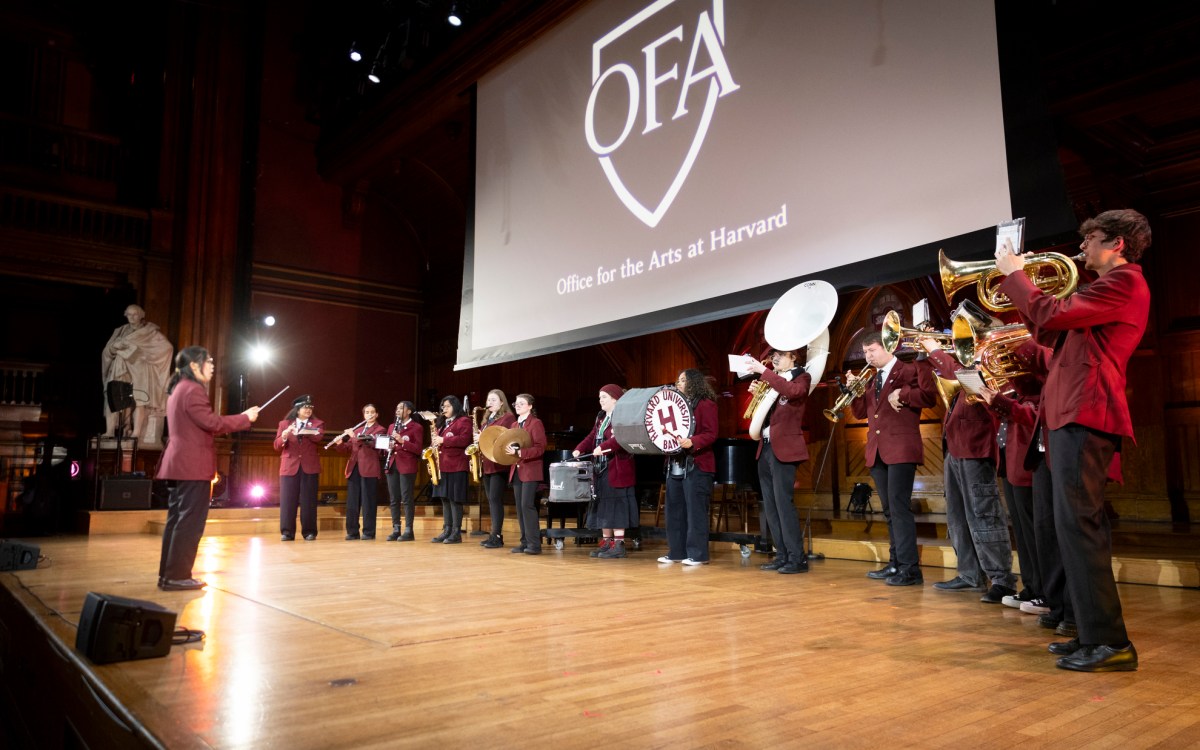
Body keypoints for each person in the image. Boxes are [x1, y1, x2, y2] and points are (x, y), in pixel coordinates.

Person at [996, 208, 1151, 673]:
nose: (1082, 248)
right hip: (1069, 412)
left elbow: (1052, 312)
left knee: (1081, 529)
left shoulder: (1124, 283)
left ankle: (1111, 642)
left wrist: (1017, 276)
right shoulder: (1101, 288)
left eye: (1092, 240)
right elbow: (1048, 326)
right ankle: (1090, 633)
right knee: (1071, 529)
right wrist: (1021, 292)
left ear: (1118, 244)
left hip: (1087, 412)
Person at [919, 338, 1016, 603]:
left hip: (976, 450)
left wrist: (935, 350)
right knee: (958, 517)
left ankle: (1001, 579)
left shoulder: (990, 368)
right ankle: (970, 573)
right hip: (956, 449)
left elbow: (963, 378)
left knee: (984, 514)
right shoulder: (969, 368)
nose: (970, 347)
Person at [156, 346, 259, 590]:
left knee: (177, 521)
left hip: (180, 462)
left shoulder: (179, 389)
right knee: (189, 523)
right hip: (192, 464)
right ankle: (177, 576)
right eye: (208, 361)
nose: (212, 366)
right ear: (194, 365)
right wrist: (244, 418)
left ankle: (169, 575)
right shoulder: (192, 390)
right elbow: (211, 423)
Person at [850, 332, 937, 586]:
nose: (868, 356)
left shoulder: (908, 370)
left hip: (901, 448)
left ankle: (910, 569)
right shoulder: (872, 379)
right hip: (877, 450)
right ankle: (895, 562)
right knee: (889, 511)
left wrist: (903, 394)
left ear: (887, 347)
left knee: (899, 509)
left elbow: (928, 396)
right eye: (865, 352)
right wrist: (854, 391)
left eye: (872, 350)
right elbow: (859, 413)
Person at [746, 350, 812, 574]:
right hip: (764, 448)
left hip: (784, 449)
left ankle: (797, 558)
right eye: (773, 355)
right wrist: (758, 395)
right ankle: (781, 554)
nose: (775, 359)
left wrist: (764, 372)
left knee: (784, 505)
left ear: (793, 357)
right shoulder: (774, 379)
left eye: (780, 355)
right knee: (771, 508)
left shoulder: (801, 377)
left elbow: (793, 392)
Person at [657, 369, 718, 566]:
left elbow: (711, 433)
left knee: (695, 512)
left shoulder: (705, 403)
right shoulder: (675, 405)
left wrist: (692, 441)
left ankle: (698, 554)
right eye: (678, 380)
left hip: (697, 464)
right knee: (674, 511)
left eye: (683, 380)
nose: (678, 383)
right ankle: (676, 552)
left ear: (694, 382)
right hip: (675, 465)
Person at [573, 384, 637, 559]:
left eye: (604, 397)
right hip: (600, 467)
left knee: (616, 506)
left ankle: (619, 544)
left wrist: (603, 447)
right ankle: (607, 542)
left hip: (617, 467)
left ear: (615, 399)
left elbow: (620, 439)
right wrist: (580, 448)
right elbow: (592, 436)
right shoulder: (601, 418)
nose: (600, 400)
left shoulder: (623, 417)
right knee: (603, 505)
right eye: (599, 397)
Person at [102, 303, 173, 444]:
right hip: (120, 367)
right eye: (128, 314)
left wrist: (146, 355)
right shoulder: (120, 331)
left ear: (142, 315)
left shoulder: (150, 332)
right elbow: (106, 352)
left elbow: (167, 348)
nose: (131, 317)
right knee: (113, 397)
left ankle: (136, 433)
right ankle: (110, 431)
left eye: (134, 314)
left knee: (139, 399)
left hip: (139, 369)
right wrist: (113, 348)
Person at [331, 403, 386, 540]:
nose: (369, 414)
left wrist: (354, 436)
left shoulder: (380, 429)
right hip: (354, 468)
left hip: (369, 469)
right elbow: (348, 447)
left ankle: (368, 532)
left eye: (372, 412)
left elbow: (373, 445)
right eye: (367, 412)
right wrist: (340, 444)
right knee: (352, 502)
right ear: (363, 414)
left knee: (368, 502)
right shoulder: (359, 429)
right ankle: (352, 532)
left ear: (377, 414)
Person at [274, 395, 324, 541]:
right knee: (288, 500)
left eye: (310, 407)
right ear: (297, 409)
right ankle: (287, 532)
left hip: (310, 466)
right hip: (289, 466)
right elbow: (276, 445)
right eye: (305, 407)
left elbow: (318, 437)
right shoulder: (285, 424)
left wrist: (304, 431)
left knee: (309, 501)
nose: (308, 410)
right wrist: (283, 437)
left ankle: (309, 532)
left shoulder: (317, 423)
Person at [508, 393, 547, 555]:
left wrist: (521, 452)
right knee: (519, 507)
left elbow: (540, 448)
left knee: (527, 505)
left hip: (530, 470)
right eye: (516, 403)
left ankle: (534, 544)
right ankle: (524, 542)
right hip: (516, 470)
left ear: (530, 406)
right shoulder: (514, 425)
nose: (517, 406)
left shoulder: (536, 423)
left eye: (521, 403)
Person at [429, 395, 471, 543]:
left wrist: (443, 440)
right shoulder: (442, 423)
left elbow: (465, 439)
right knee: (444, 498)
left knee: (455, 499)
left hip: (457, 465)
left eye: (447, 406)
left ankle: (456, 532)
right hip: (443, 465)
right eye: (443, 407)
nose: (444, 409)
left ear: (455, 406)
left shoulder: (464, 421)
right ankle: (447, 529)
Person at [479, 389, 516, 548]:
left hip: (499, 464)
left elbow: (504, 438)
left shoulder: (507, 417)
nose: (489, 403)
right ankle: (494, 534)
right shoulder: (487, 419)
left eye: (494, 400)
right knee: (491, 500)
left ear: (502, 402)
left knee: (495, 500)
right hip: (487, 464)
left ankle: (497, 535)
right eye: (488, 400)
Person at [383, 401, 424, 541]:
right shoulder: (391, 427)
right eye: (397, 407)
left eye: (401, 408)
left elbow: (418, 449)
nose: (398, 410)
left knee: (406, 498)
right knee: (394, 499)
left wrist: (402, 441)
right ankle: (396, 528)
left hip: (407, 465)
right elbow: (387, 446)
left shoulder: (416, 427)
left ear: (409, 411)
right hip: (392, 463)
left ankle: (409, 530)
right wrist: (387, 446)